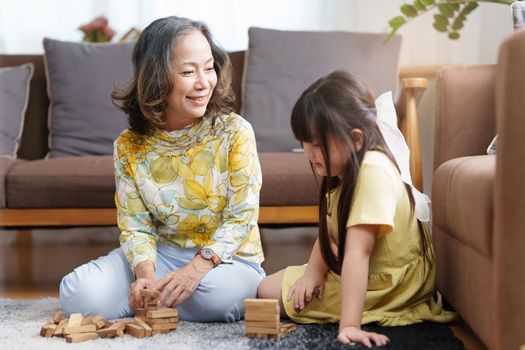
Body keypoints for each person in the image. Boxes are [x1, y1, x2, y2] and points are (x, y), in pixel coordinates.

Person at [59, 16, 265, 322]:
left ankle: (156, 302)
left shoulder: (235, 132)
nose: (203, 82)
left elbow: (242, 216)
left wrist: (195, 270)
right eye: (187, 71)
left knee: (219, 299)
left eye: (208, 68)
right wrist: (145, 276)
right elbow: (135, 225)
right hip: (161, 257)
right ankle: (159, 298)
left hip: (224, 262)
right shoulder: (129, 146)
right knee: (77, 293)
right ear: (157, 78)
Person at [257, 71, 456, 347]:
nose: (308, 153)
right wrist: (312, 273)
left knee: (267, 290)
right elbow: (330, 234)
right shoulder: (346, 171)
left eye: (316, 144)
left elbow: (358, 253)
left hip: (387, 288)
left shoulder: (373, 171)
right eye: (303, 143)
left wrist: (349, 325)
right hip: (370, 273)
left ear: (356, 139)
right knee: (274, 285)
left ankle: (362, 311)